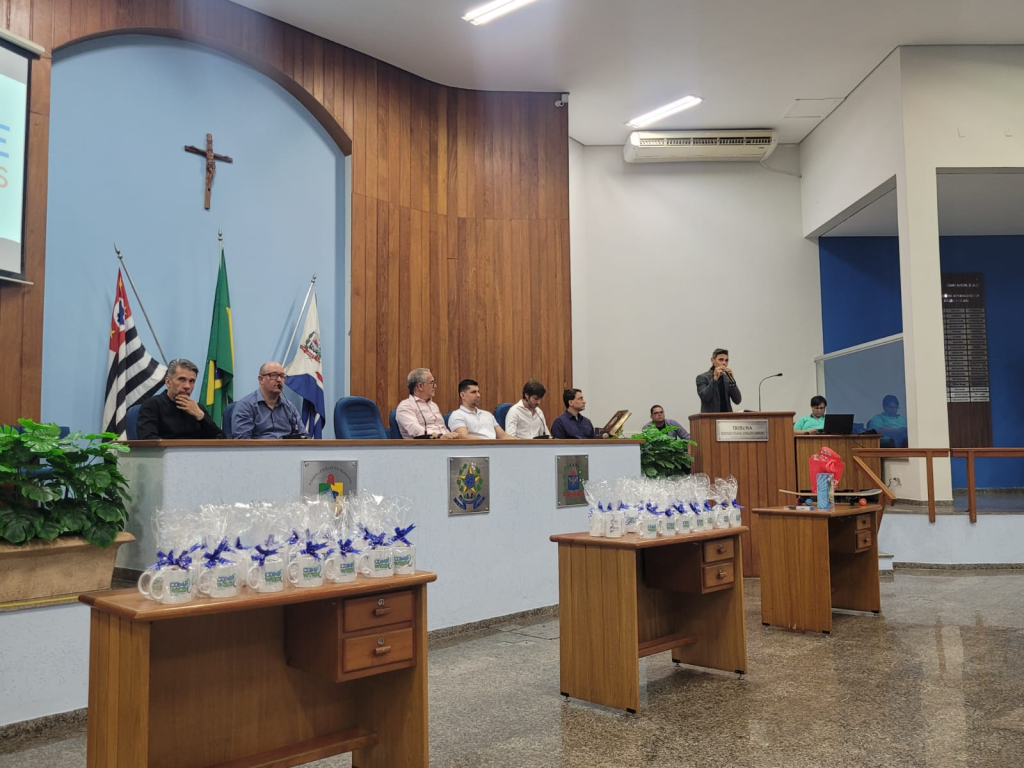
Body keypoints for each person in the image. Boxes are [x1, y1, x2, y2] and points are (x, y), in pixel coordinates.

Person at [136, 358, 225, 440]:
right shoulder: (152, 405)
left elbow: (220, 439)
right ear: (168, 382)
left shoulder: (198, 408)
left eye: (191, 381)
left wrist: (201, 417)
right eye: (182, 379)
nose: (187, 386)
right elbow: (148, 440)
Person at [231, 361, 304, 439]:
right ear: (261, 379)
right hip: (258, 446)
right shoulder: (246, 406)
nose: (279, 380)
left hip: (286, 446)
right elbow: (243, 440)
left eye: (282, 376)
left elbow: (303, 435)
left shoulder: (289, 407)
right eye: (273, 375)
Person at [395, 368, 459, 439]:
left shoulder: (434, 405)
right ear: (420, 386)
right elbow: (414, 429)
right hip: (424, 444)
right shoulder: (406, 406)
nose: (435, 386)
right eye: (432, 383)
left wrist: (450, 436)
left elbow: (442, 428)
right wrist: (439, 436)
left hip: (443, 442)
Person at [447, 379, 513, 440]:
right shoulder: (457, 415)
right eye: (473, 392)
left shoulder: (487, 414)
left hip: (494, 446)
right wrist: (489, 444)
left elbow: (503, 436)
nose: (478, 395)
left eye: (478, 392)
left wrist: (518, 443)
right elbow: (464, 437)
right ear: (463, 395)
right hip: (476, 448)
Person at [696, 348, 742, 413]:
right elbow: (705, 398)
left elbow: (737, 400)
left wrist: (732, 382)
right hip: (710, 418)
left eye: (726, 360)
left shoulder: (727, 379)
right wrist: (715, 379)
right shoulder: (702, 377)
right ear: (713, 360)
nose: (724, 363)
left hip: (727, 417)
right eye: (721, 360)